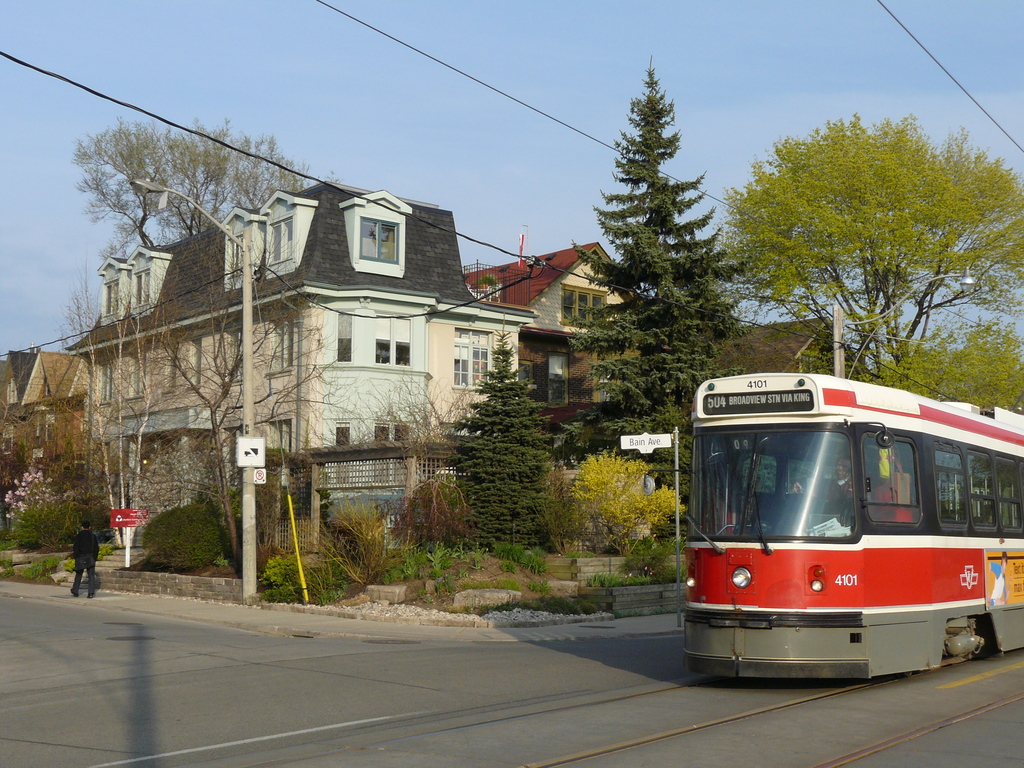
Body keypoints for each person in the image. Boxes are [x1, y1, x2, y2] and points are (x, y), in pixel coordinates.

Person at [71, 520, 99, 598]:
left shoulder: (78, 536)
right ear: (89, 527)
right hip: (90, 557)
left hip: (80, 557)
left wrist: (76, 557)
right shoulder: (93, 536)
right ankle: (91, 593)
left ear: (82, 527)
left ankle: (75, 590)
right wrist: (94, 557)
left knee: (78, 574)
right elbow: (96, 548)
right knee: (91, 575)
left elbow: (75, 548)